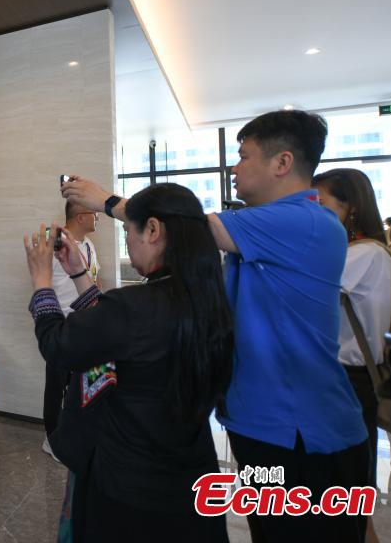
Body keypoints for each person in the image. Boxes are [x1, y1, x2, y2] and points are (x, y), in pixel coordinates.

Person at [61, 110, 370, 542]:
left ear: (282, 163)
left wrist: (106, 201)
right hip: (263, 426)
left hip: (304, 434)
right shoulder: (261, 228)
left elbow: (186, 228)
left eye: (244, 156)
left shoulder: (309, 223)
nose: (235, 168)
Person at [24, 183, 233, 542]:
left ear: (152, 230)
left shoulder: (137, 306)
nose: (127, 242)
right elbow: (115, 331)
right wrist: (79, 274)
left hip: (128, 488)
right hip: (189, 481)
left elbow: (59, 346)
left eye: (127, 231)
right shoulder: (207, 298)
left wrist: (41, 282)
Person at [314, 169, 391, 543]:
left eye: (321, 203)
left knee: (346, 493)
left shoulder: (365, 254)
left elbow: (305, 284)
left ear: (352, 208)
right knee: (347, 494)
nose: (313, 212)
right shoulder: (363, 252)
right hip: (345, 379)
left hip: (348, 380)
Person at [42, 202, 100, 460]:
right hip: (62, 326)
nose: (97, 218)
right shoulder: (56, 243)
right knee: (56, 387)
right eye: (94, 214)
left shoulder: (89, 245)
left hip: (85, 325)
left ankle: (72, 436)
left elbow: (93, 279)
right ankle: (52, 440)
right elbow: (41, 280)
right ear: (80, 216)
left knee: (78, 386)